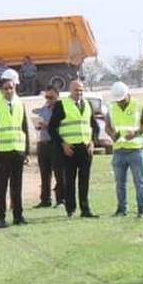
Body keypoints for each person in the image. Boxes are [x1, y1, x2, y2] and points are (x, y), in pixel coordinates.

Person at [50, 79, 99, 218]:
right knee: (69, 180)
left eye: (81, 90)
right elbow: (53, 128)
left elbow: (95, 126)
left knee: (85, 180)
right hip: (70, 149)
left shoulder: (88, 104)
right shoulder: (62, 104)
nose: (79, 92)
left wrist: (93, 142)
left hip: (85, 147)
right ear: (70, 90)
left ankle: (85, 209)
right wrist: (62, 144)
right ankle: (70, 209)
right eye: (76, 90)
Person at [0, 74, 30, 227]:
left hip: (17, 151)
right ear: (1, 90)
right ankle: (1, 217)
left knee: (17, 186)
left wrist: (26, 152)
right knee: (1, 187)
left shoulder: (20, 105)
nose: (8, 91)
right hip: (2, 153)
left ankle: (18, 216)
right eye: (5, 88)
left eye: (11, 88)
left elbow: (24, 128)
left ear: (15, 88)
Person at [106, 81, 143, 217]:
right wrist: (112, 134)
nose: (120, 103)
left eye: (122, 100)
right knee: (120, 183)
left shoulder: (138, 105)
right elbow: (107, 126)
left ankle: (142, 209)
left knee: (140, 182)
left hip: (136, 150)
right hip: (119, 150)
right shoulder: (112, 107)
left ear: (127, 94)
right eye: (118, 100)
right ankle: (121, 209)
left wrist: (135, 133)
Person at [32, 87, 64, 209]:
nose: (48, 100)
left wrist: (48, 125)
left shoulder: (60, 109)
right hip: (43, 143)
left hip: (55, 143)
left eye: (51, 97)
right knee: (44, 174)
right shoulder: (44, 109)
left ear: (57, 96)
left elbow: (58, 125)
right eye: (47, 97)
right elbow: (40, 123)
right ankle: (45, 200)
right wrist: (38, 125)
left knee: (59, 173)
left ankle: (61, 199)